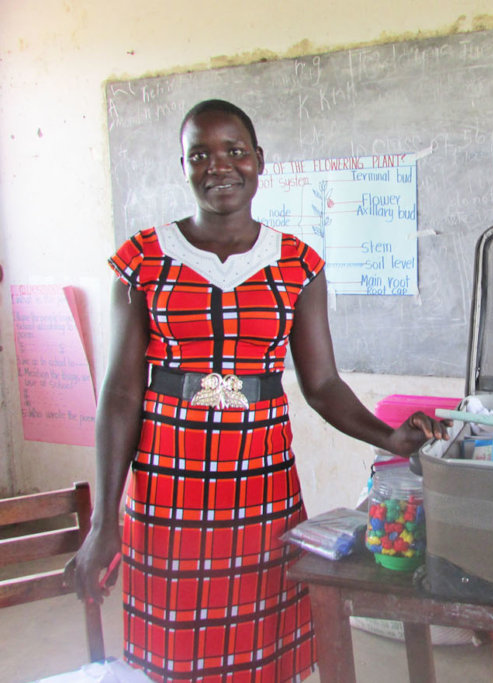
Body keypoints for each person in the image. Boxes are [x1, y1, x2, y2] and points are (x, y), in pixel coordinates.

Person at [66, 99, 449, 683]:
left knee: (263, 646)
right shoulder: (142, 261)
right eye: (201, 155)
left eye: (234, 151)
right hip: (169, 489)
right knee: (176, 650)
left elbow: (322, 385)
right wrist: (104, 522)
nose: (220, 166)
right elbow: (120, 395)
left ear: (259, 160)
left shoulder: (297, 265)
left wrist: (390, 436)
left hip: (261, 488)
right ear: (185, 166)